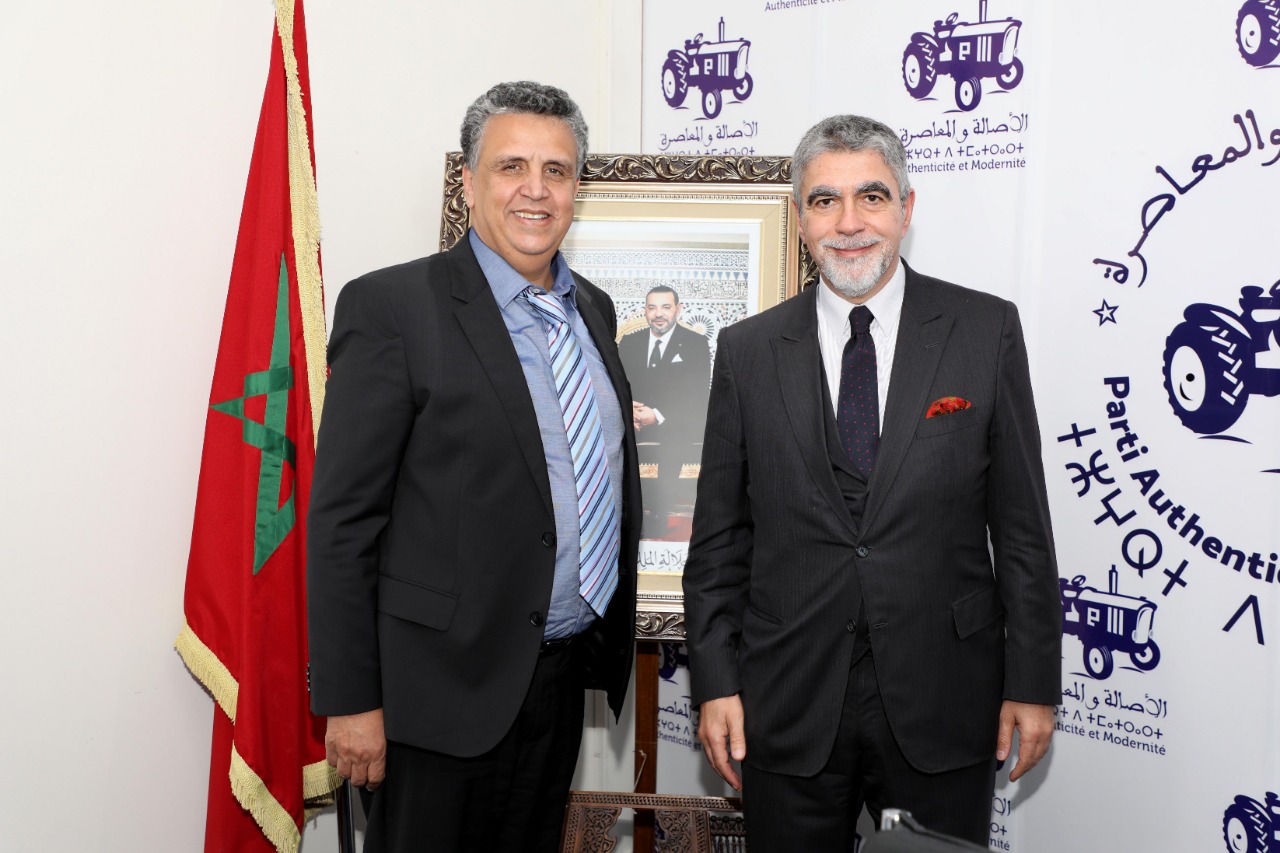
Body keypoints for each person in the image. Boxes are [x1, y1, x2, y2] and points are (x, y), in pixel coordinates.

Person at [682, 114, 1062, 849]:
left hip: (944, 696)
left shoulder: (984, 331)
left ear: (906, 208)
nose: (849, 223)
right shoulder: (747, 350)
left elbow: (1022, 530)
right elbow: (719, 540)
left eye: (872, 197)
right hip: (785, 700)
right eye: (825, 200)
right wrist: (716, 682)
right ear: (799, 217)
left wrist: (1033, 681)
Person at [306, 81, 640, 853]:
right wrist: (351, 701)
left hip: (557, 684)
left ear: (578, 187)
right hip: (434, 699)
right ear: (468, 180)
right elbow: (343, 522)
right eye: (511, 166)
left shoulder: (593, 309)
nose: (535, 189)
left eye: (556, 170)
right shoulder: (393, 308)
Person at [617, 285, 711, 538]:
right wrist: (628, 410)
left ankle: (658, 513)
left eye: (665, 307)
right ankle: (617, 512)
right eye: (652, 307)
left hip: (673, 420)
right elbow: (617, 383)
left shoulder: (695, 343)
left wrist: (657, 415)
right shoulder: (629, 343)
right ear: (645, 311)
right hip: (633, 419)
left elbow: (697, 392)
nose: (658, 313)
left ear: (678, 310)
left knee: (675, 437)